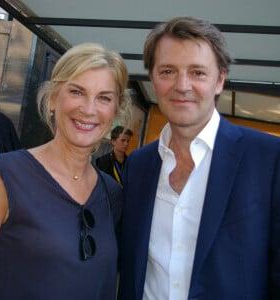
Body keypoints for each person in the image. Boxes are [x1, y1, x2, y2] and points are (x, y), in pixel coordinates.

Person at [117, 16, 280, 300]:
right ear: (153, 81)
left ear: (220, 80)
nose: (182, 85)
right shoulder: (138, 165)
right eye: (167, 71)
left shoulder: (269, 159)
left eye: (198, 73)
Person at [0, 42, 132, 299]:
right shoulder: (3, 177)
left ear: (115, 112)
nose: (89, 109)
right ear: (52, 99)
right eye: (76, 92)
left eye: (104, 98)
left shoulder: (112, 194)